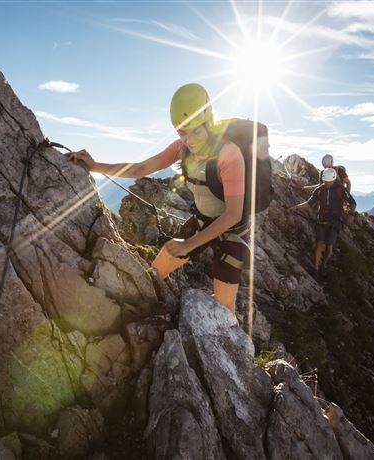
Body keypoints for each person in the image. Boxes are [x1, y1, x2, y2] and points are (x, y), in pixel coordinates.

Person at [65, 83, 253, 314]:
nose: (190, 140)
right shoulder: (181, 148)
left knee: (225, 308)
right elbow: (140, 169)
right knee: (155, 272)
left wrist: (190, 243)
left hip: (232, 232)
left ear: (209, 122)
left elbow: (233, 214)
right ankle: (149, 311)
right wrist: (94, 166)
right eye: (182, 132)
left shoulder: (228, 154)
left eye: (196, 131)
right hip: (203, 221)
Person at [289, 167, 357, 278]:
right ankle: (316, 269)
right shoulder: (319, 190)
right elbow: (309, 203)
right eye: (325, 181)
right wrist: (297, 207)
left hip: (335, 222)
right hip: (321, 220)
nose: (327, 184)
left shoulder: (341, 189)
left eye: (329, 182)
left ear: (334, 180)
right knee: (319, 244)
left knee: (329, 247)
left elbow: (353, 203)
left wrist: (351, 214)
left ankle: (323, 265)